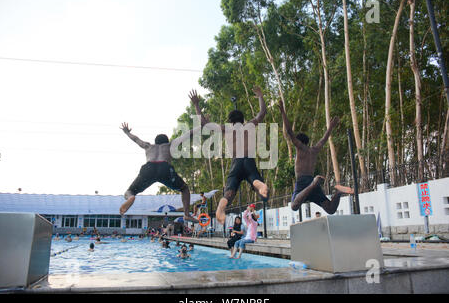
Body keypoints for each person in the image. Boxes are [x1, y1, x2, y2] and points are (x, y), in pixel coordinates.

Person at [190, 88, 269, 225]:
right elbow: (262, 114)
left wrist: (196, 104)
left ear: (230, 120)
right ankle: (260, 186)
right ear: (242, 119)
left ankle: (221, 208)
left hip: (236, 164)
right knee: (255, 180)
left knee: (229, 192)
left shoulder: (226, 128)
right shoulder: (248, 126)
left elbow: (204, 124)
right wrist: (261, 96)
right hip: (249, 161)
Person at [278, 99, 354, 214]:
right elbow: (324, 139)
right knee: (330, 209)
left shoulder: (300, 147)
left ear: (299, 141)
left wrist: (283, 111)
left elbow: (289, 131)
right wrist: (331, 127)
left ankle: (313, 184)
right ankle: (338, 193)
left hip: (304, 182)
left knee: (294, 206)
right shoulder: (314, 150)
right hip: (312, 180)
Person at [118, 121, 202, 223]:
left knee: (129, 191)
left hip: (148, 168)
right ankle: (187, 215)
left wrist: (127, 132)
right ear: (166, 141)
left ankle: (131, 197)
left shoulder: (148, 146)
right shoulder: (170, 145)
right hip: (164, 168)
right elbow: (188, 134)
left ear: (155, 142)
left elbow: (136, 139)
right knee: (184, 188)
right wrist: (200, 126)